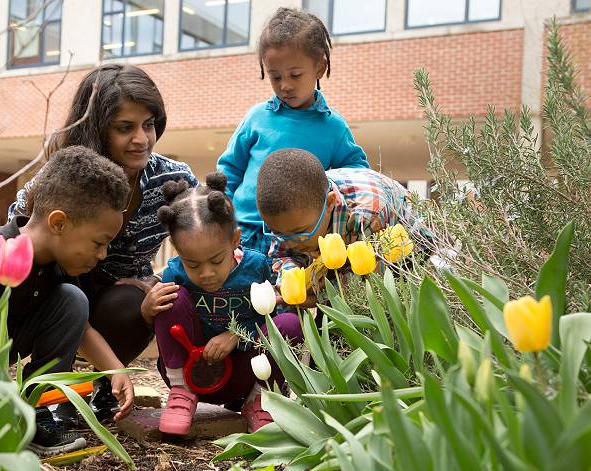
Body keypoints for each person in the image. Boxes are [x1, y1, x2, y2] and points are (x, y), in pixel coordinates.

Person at [8, 64, 198, 419]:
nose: (141, 138)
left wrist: (158, 281)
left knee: (145, 299)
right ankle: (49, 395)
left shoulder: (173, 180)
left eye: (149, 124)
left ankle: (106, 388)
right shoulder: (61, 178)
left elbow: (204, 241)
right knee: (68, 298)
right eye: (125, 127)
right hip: (54, 294)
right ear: (96, 128)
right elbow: (18, 236)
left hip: (120, 303)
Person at [0, 146, 135, 456]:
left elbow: (81, 327)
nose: (102, 255)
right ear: (59, 223)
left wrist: (114, 370)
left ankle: (36, 413)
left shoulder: (56, 262)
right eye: (99, 243)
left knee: (72, 300)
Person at [142, 173, 303, 435]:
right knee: (168, 297)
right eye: (192, 264)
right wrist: (147, 310)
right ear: (176, 248)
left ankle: (261, 401)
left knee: (290, 324)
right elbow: (164, 325)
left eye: (216, 261)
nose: (206, 273)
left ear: (235, 240)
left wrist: (236, 336)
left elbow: (273, 318)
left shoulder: (256, 268)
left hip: (245, 374)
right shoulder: (174, 274)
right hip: (191, 372)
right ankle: (180, 396)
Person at [217, 7, 369, 258]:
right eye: (275, 77)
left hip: (298, 240)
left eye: (295, 75)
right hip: (243, 232)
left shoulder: (333, 128)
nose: (285, 85)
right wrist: (223, 216)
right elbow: (229, 170)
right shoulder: (257, 117)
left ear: (320, 67)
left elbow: (357, 175)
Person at [256, 148, 430, 303]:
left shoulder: (367, 214)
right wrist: (291, 280)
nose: (291, 243)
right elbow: (282, 255)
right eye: (278, 233)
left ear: (330, 203)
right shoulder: (291, 220)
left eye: (299, 233)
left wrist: (320, 298)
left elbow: (366, 284)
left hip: (413, 254)